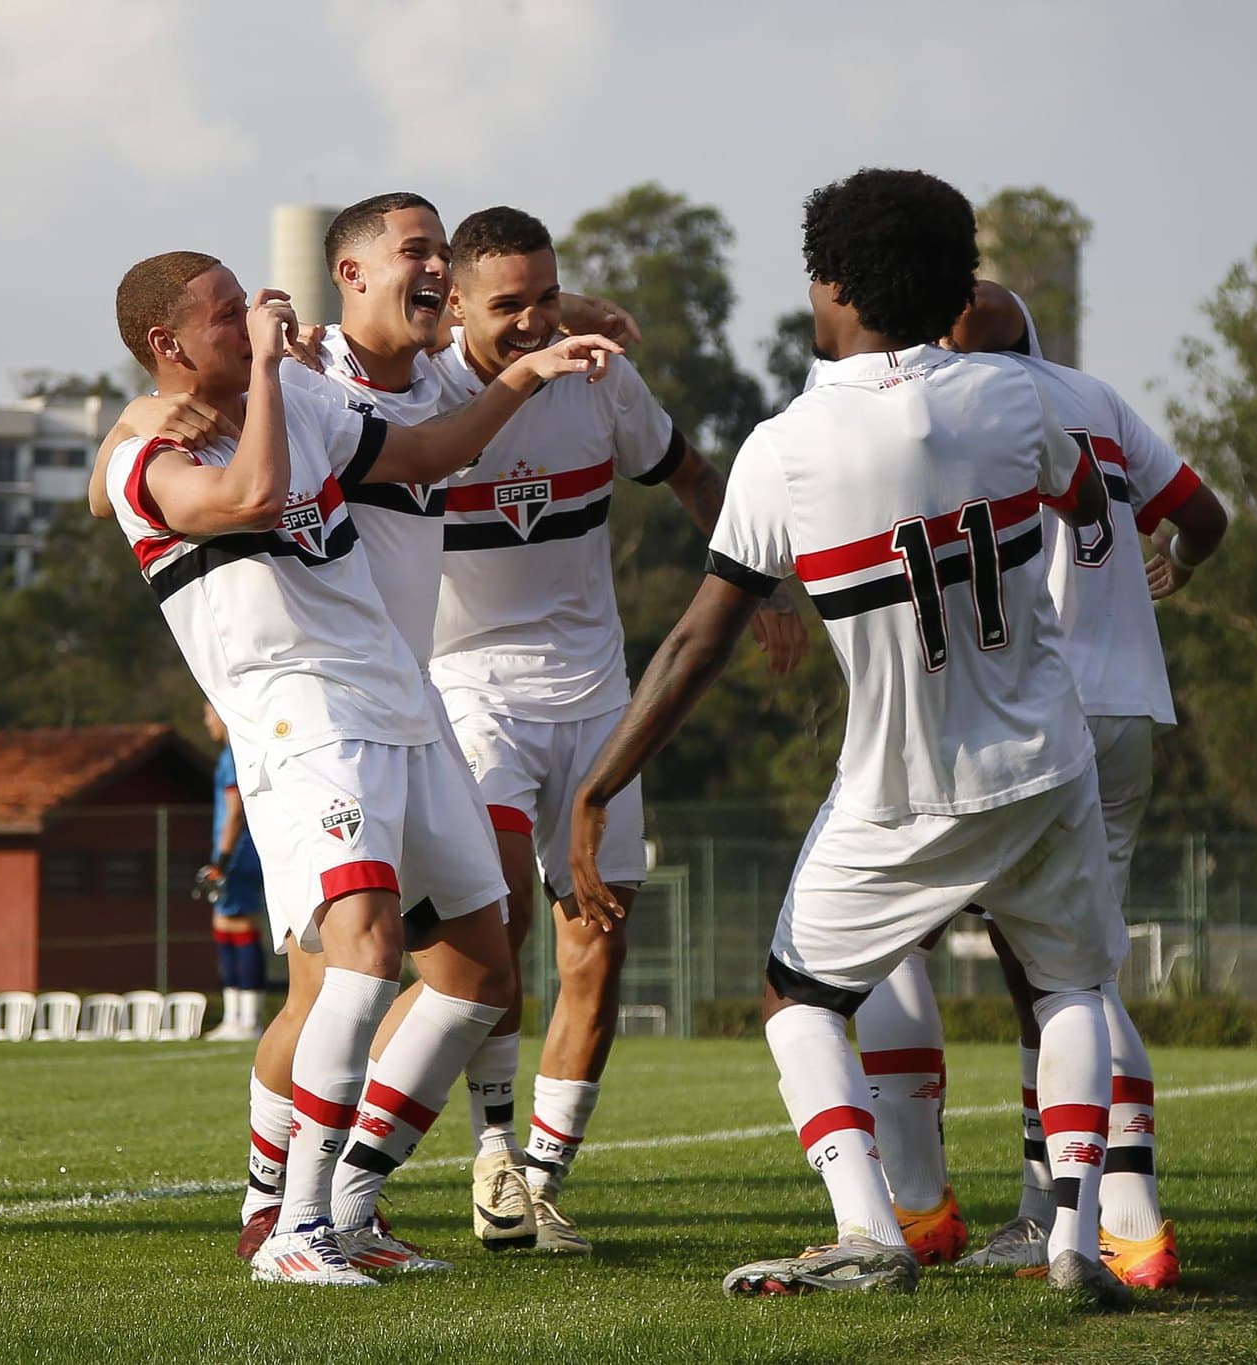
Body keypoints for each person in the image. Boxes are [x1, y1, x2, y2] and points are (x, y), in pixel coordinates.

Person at [567, 168, 1130, 1307]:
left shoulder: (784, 448)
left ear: (827, 288)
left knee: (798, 999)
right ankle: (1073, 1236)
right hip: (1043, 766)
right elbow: (1082, 505)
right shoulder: (1021, 401)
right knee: (1071, 989)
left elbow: (695, 646)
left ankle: (866, 1230)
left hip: (899, 789)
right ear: (953, 288)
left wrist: (596, 787)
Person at [102, 247, 619, 1287]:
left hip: (400, 700)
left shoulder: (288, 394)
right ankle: (291, 1228)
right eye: (223, 314)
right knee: (363, 952)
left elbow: (427, 455)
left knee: (479, 968)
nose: (251, 318)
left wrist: (531, 373)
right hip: (304, 723)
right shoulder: (143, 456)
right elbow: (251, 496)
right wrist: (259, 370)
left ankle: (344, 1208)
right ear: (167, 346)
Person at [424, 205, 806, 1253]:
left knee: (596, 940)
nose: (535, 320)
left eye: (547, 296)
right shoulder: (417, 387)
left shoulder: (597, 381)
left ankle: (537, 1183)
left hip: (597, 694)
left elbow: (688, 474)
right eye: (509, 305)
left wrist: (762, 585)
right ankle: (491, 1149)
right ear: (450, 305)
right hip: (467, 689)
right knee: (492, 921)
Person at [854, 287, 1229, 1289]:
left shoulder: (944, 406)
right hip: (1120, 713)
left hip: (1006, 709)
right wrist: (1177, 566)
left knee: (881, 938)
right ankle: (1118, 1224)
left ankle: (925, 1205)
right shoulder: (1093, 398)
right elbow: (1203, 516)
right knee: (1080, 970)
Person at [198, 701, 267, 1042]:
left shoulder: (232, 757)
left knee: (238, 925)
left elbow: (235, 812)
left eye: (208, 714)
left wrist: (221, 860)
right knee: (225, 925)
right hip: (237, 855)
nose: (206, 722)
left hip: (237, 856)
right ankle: (236, 1016)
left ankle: (247, 1018)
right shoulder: (236, 753)